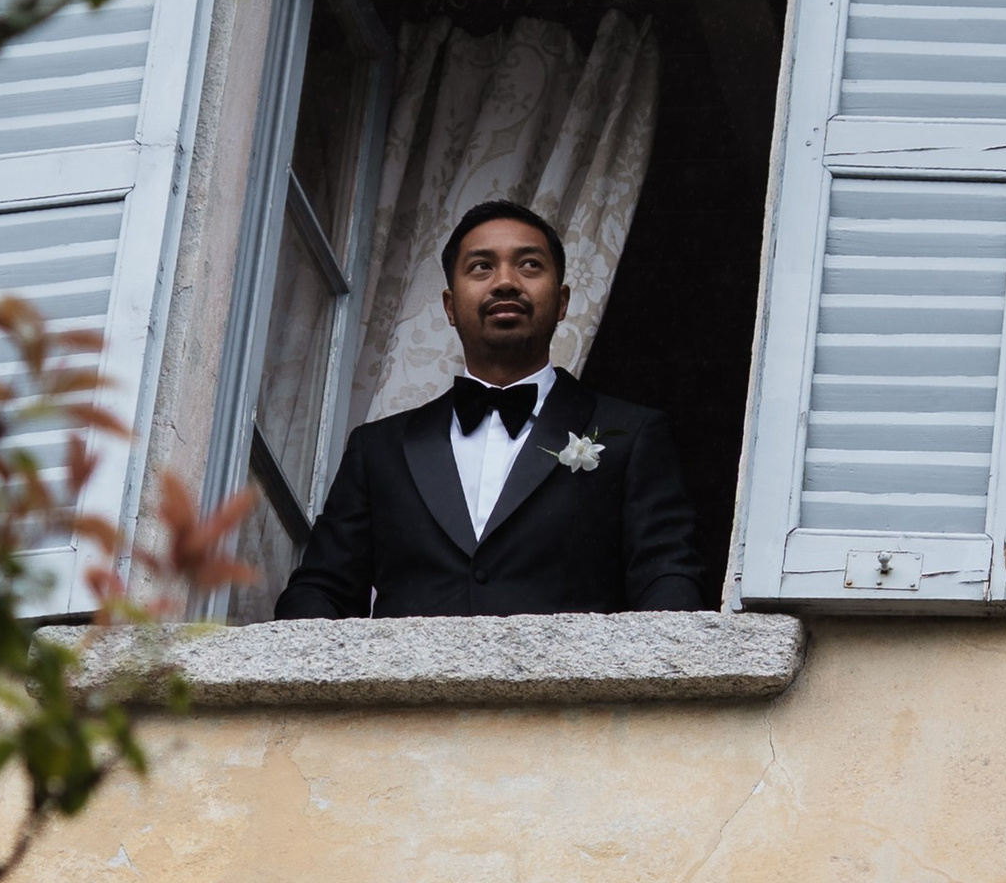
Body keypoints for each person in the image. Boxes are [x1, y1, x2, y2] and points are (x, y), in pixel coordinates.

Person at [274, 201, 707, 620]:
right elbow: (320, 591)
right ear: (449, 306)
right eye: (481, 266)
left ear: (561, 302)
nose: (505, 282)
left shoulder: (632, 434)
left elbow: (668, 582)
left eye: (530, 265)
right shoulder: (379, 449)